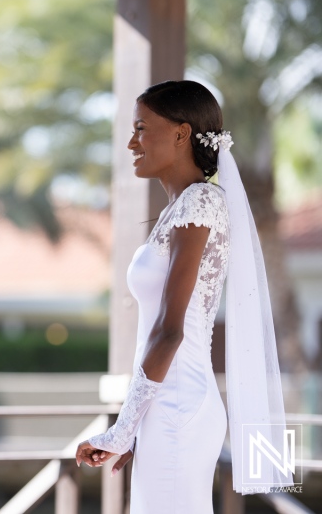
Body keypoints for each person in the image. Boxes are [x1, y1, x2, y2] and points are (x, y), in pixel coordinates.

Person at [75, 81, 291, 512]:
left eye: (141, 128)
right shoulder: (181, 208)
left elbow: (170, 332)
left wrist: (122, 429)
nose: (131, 141)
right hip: (168, 407)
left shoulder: (201, 203)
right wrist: (138, 427)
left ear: (181, 134)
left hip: (178, 406)